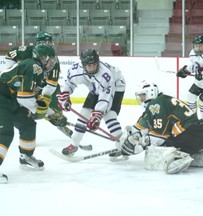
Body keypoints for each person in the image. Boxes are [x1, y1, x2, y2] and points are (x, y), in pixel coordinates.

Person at [116, 80, 203, 174]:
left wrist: (140, 144)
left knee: (160, 146)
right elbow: (139, 127)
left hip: (188, 136)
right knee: (161, 140)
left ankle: (179, 157)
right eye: (140, 96)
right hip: (196, 135)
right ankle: (200, 153)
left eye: (143, 95)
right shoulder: (159, 102)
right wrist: (126, 137)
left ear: (151, 93)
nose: (141, 99)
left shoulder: (156, 105)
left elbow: (159, 137)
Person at [0, 44, 56, 184]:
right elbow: (24, 98)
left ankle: (26, 157)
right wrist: (38, 111)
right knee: (6, 132)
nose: (50, 62)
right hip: (2, 98)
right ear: (41, 57)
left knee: (28, 125)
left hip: (11, 99)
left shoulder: (36, 68)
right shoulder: (33, 66)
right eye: (48, 59)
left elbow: (32, 95)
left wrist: (52, 113)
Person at [57, 48, 126, 156]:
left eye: (94, 64)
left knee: (108, 115)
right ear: (83, 65)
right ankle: (74, 144)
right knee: (84, 113)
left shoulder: (105, 75)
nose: (93, 68)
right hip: (96, 88)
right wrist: (65, 96)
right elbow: (69, 83)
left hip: (116, 85)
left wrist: (97, 116)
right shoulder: (76, 70)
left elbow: (104, 98)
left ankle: (122, 146)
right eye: (89, 65)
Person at [4, 32, 70, 137]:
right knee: (26, 101)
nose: (46, 44)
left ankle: (59, 121)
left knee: (52, 95)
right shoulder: (27, 51)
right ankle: (27, 127)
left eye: (48, 42)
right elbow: (10, 55)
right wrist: (15, 73)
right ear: (37, 43)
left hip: (40, 82)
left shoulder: (53, 58)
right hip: (25, 80)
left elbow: (51, 84)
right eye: (43, 42)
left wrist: (46, 100)